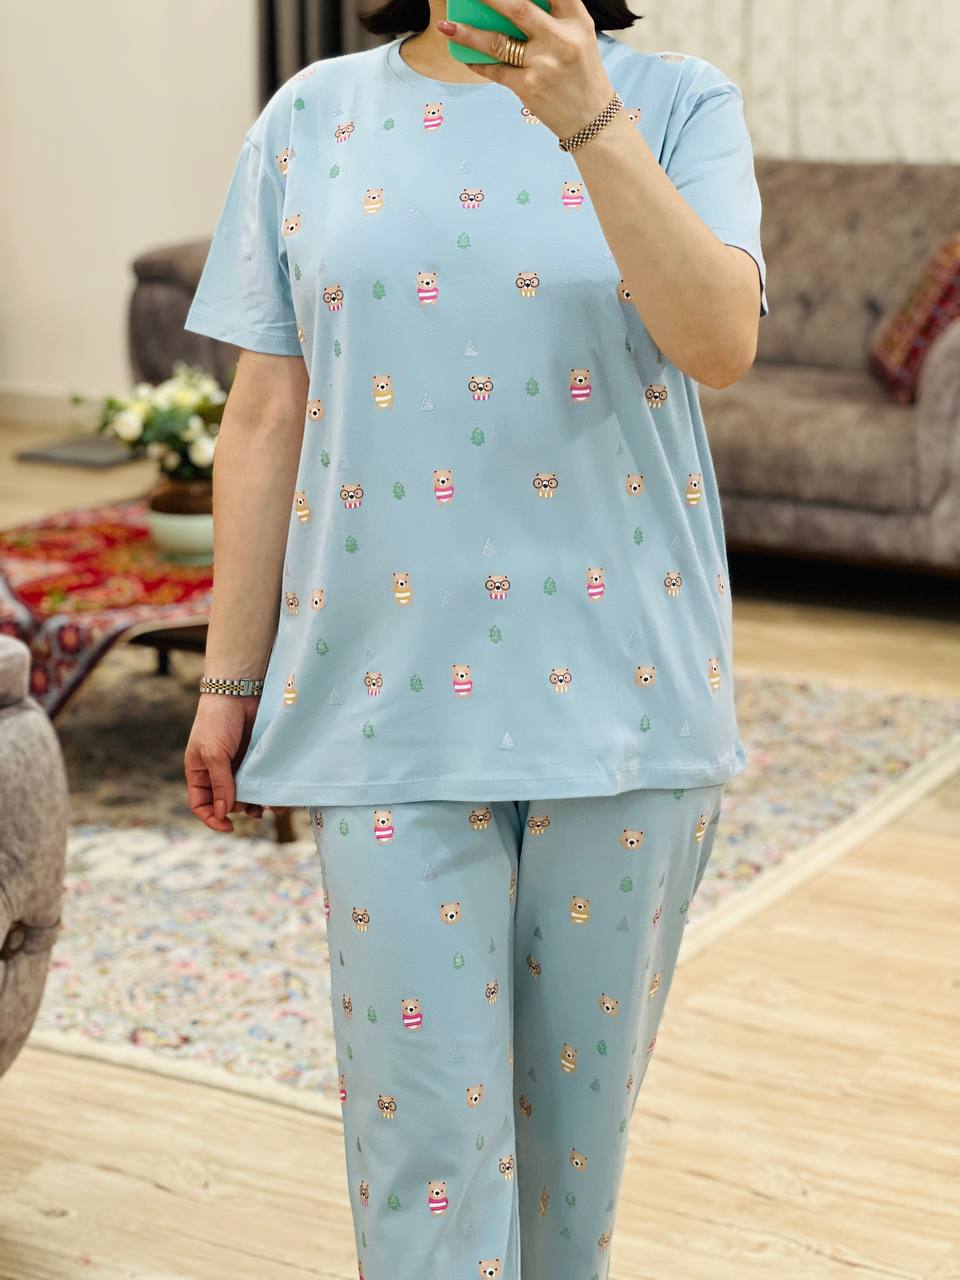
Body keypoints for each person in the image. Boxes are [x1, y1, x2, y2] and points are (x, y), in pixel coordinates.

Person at [183, 0, 767, 1273]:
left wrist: (589, 121)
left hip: (628, 704)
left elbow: (721, 341)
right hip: (382, 707)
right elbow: (267, 412)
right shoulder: (311, 116)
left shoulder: (678, 102)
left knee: (570, 1179)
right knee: (426, 1178)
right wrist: (230, 676)